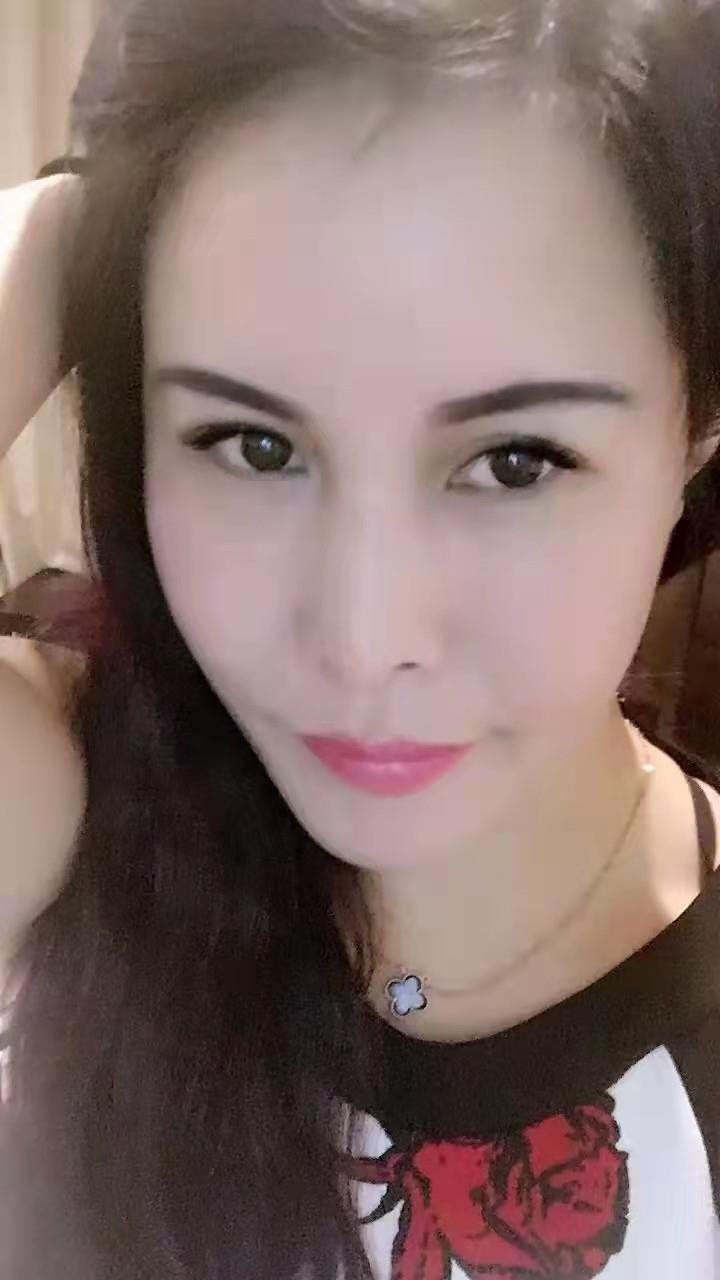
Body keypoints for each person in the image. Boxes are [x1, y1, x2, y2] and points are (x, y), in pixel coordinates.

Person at [2, 1, 720, 1276]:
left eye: (515, 460)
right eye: (252, 444)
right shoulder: (69, 797)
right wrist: (80, 222)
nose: (363, 636)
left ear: (694, 444)